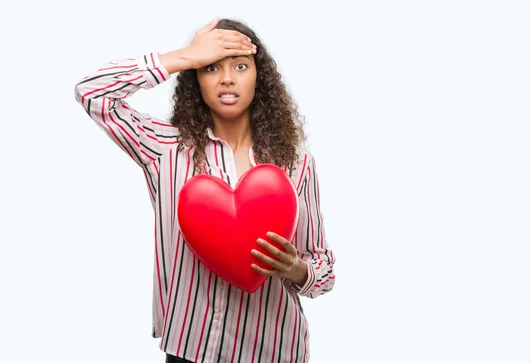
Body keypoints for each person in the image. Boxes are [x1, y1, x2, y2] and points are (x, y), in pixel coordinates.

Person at [74, 18, 335, 363]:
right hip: (190, 349)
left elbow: (324, 270)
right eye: (211, 67)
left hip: (275, 351)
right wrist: (183, 56)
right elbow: (92, 93)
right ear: (196, 78)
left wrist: (295, 269)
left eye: (240, 66)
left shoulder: (296, 163)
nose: (227, 78)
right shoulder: (164, 147)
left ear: (260, 78)